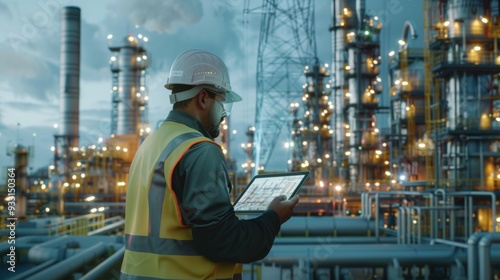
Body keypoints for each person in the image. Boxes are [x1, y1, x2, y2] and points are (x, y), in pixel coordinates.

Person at [120, 49, 299, 280]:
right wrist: (273, 218)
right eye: (222, 102)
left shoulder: (151, 144)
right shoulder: (199, 149)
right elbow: (224, 242)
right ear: (203, 98)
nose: (224, 114)